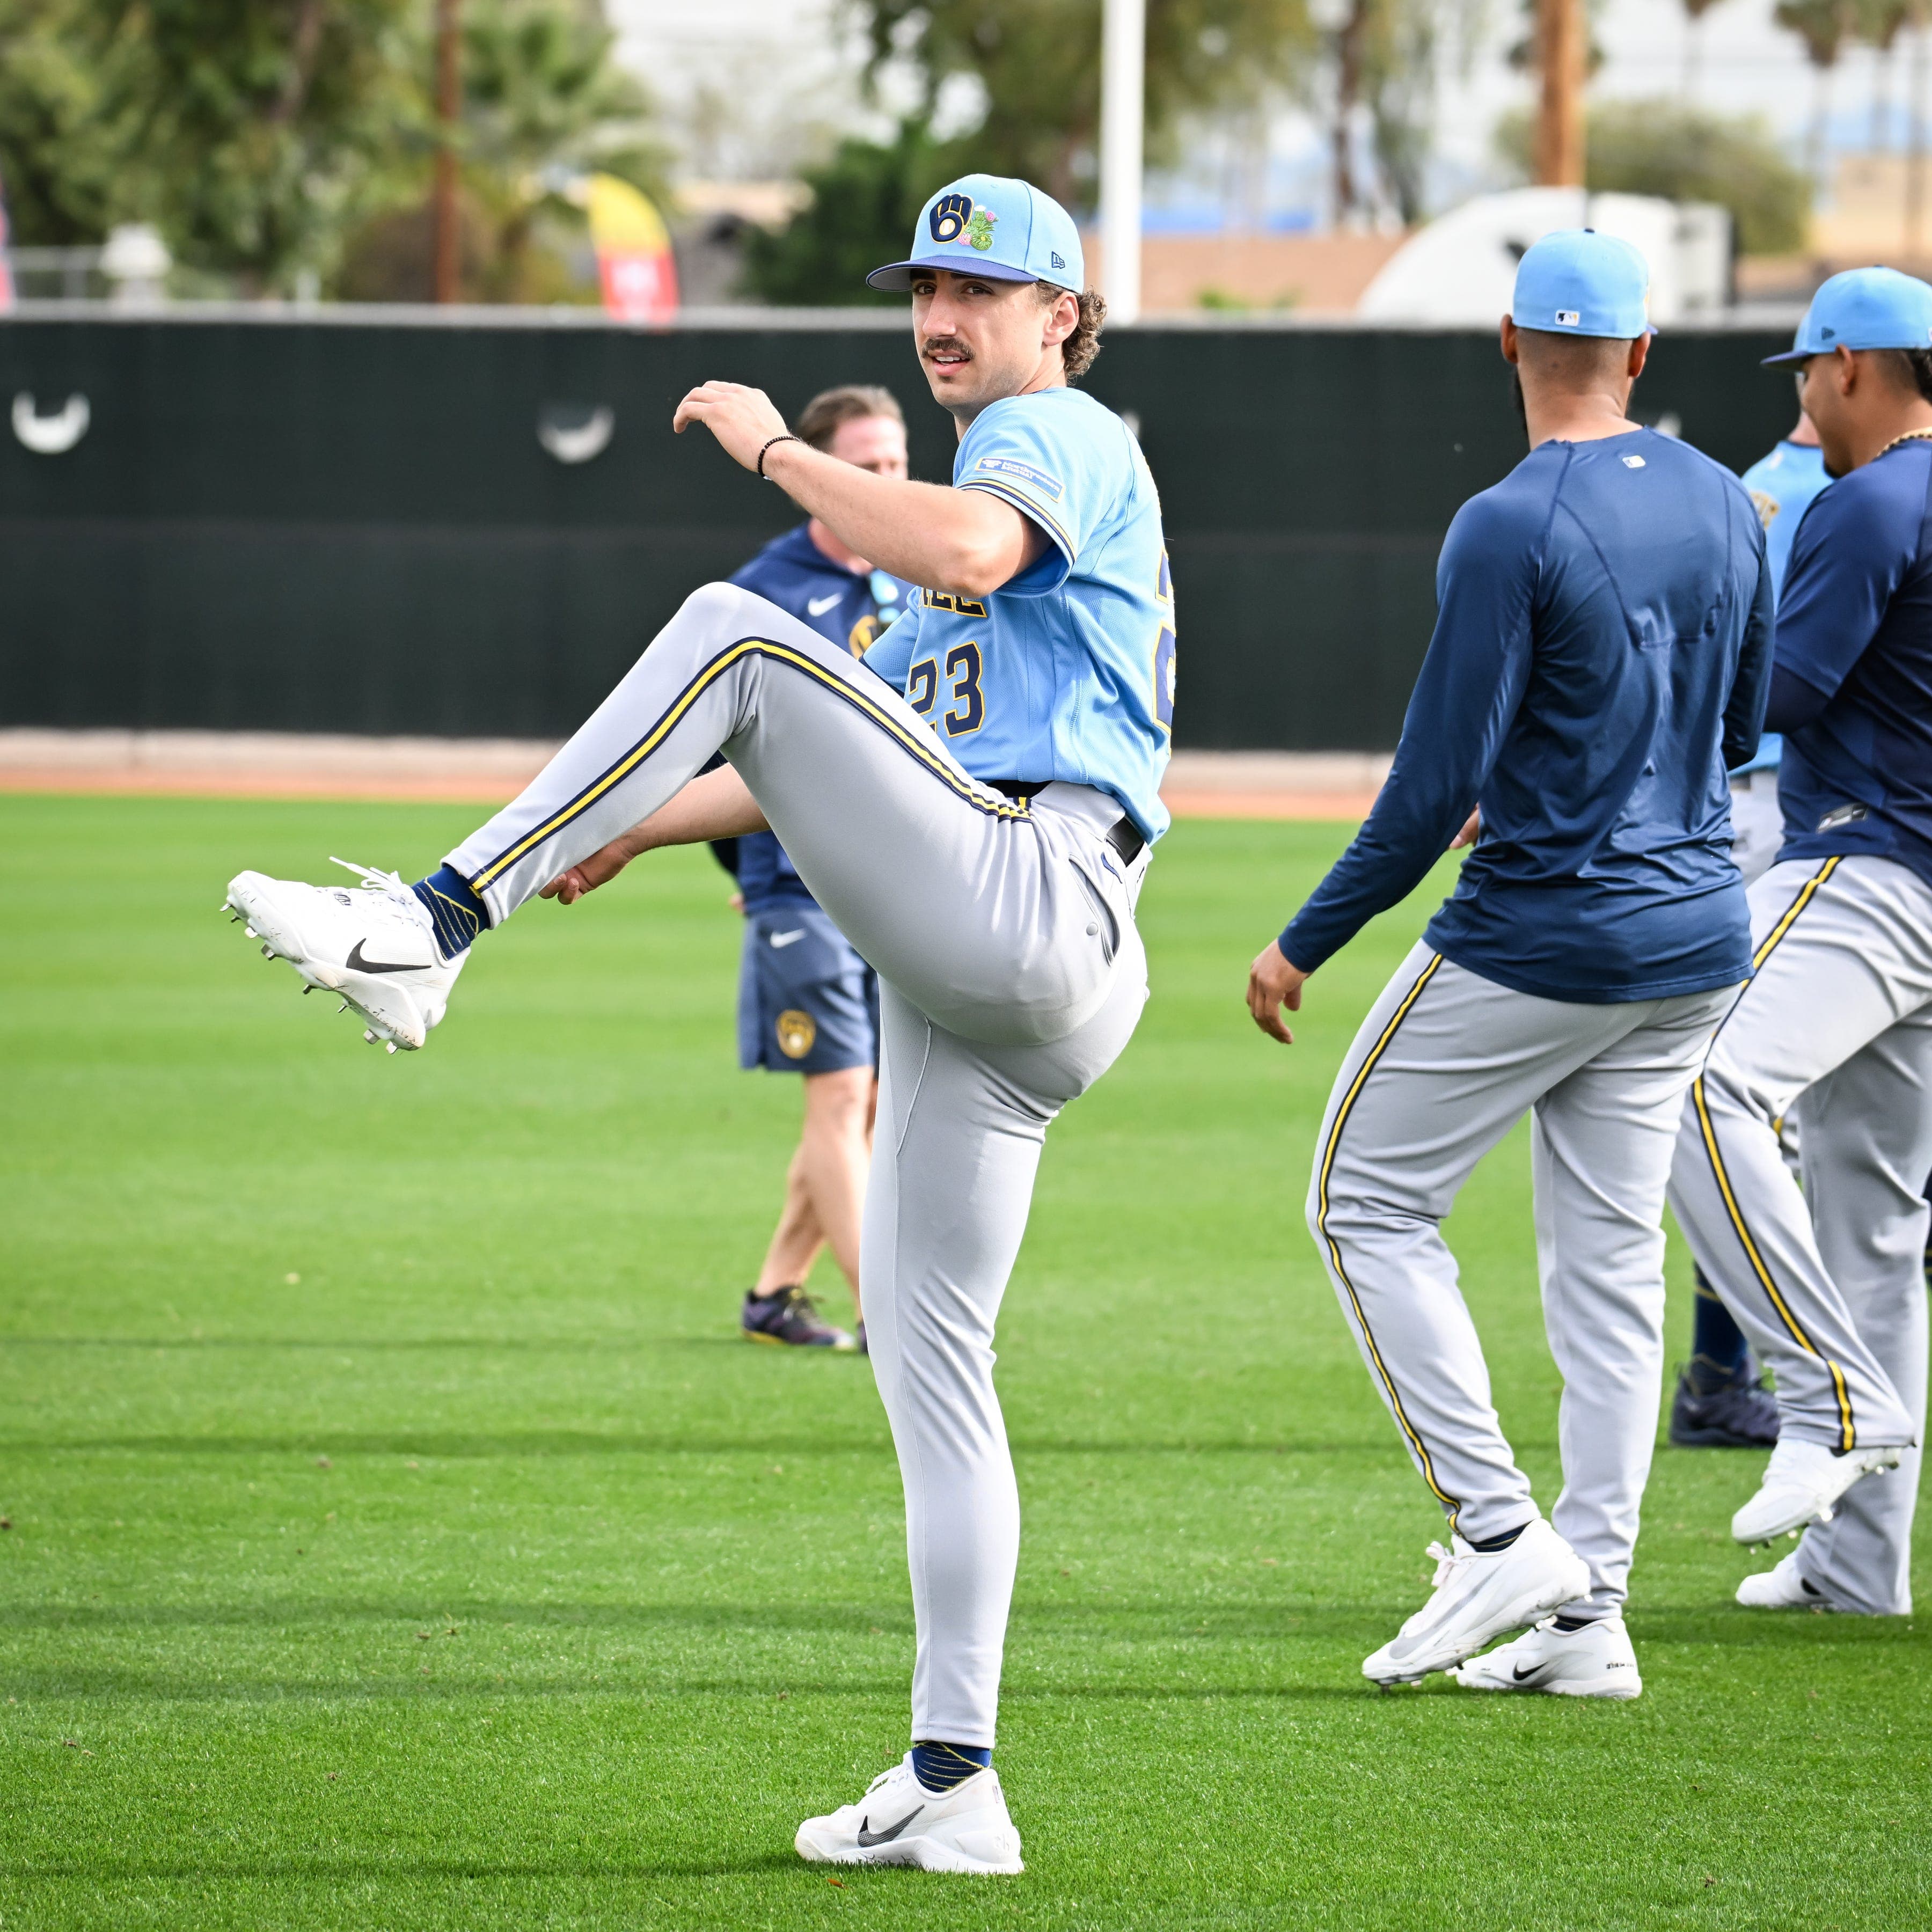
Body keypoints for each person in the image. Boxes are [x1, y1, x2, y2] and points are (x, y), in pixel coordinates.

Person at [223, 172, 1170, 1874]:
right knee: (935, 1371)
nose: (943, 314)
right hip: (1003, 970)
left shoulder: (1065, 437)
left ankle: (424, 930)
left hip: (1043, 890)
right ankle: (956, 1782)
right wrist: (629, 824)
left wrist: (768, 448)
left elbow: (949, 552)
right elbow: (800, 752)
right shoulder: (950, 527)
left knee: (738, 620)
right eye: (926, 287)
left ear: (1062, 316)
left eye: (982, 287)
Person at [1246, 230, 1772, 1699]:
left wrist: (1306, 940)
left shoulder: (1507, 518)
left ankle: (1496, 1534)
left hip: (1547, 933)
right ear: (1645, 355)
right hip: (1697, 934)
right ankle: (1590, 1620)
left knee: (1359, 1201)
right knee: (1610, 1274)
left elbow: (1430, 790)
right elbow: (1736, 735)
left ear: (1504, 343)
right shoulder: (1731, 498)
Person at [1668, 267, 1932, 1614]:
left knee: (1688, 1084)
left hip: (1872, 862)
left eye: (1808, 373)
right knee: (1872, 1221)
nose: (1805, 398)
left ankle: (1827, 1396)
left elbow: (1788, 689)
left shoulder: (1873, 494)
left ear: (1850, 367)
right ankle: (1856, 1571)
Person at [720, 385, 914, 1354]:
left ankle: (773, 1294)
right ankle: (887, 1313)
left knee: (867, 1095)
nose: (886, 480)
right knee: (841, 1097)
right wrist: (742, 867)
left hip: (891, 881)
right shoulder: (765, 590)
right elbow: (708, 745)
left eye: (895, 463)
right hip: (798, 887)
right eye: (866, 464)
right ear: (816, 472)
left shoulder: (916, 576)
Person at [1667, 413, 1833, 1449]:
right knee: (1762, 1112)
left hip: (1724, 799)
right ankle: (1735, 1376)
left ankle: (1722, 1371)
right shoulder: (1866, 491)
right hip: (1795, 805)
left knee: (1740, 1108)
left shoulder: (1744, 484)